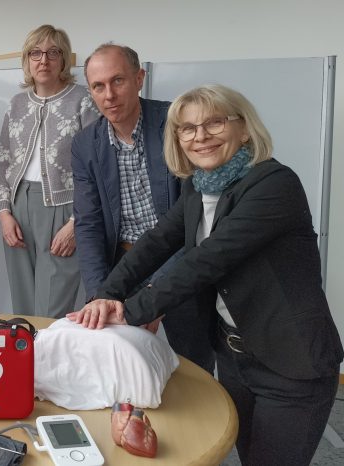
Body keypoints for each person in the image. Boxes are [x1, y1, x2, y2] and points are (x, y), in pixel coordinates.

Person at [69, 84, 344, 466]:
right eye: (187, 128)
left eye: (215, 123)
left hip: (289, 362)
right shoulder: (197, 188)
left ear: (244, 129)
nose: (200, 136)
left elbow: (207, 261)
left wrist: (130, 311)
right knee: (248, 455)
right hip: (235, 355)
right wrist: (105, 294)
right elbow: (156, 242)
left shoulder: (273, 184)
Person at [71, 43, 214, 371]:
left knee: (193, 362)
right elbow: (89, 224)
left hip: (182, 261)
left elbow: (194, 222)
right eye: (98, 86)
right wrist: (99, 295)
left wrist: (157, 294)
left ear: (139, 78)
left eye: (117, 81)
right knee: (116, 362)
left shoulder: (176, 126)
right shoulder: (85, 145)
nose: (109, 94)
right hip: (124, 263)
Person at [0, 25, 98, 317]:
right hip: (17, 208)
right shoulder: (16, 104)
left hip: (65, 211)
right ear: (27, 59)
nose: (44, 60)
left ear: (64, 60)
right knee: (23, 309)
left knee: (50, 311)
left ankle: (47, 363)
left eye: (53, 52)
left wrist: (77, 223)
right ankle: (26, 363)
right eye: (35, 53)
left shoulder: (84, 101)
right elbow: (1, 164)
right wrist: (3, 214)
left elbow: (99, 170)